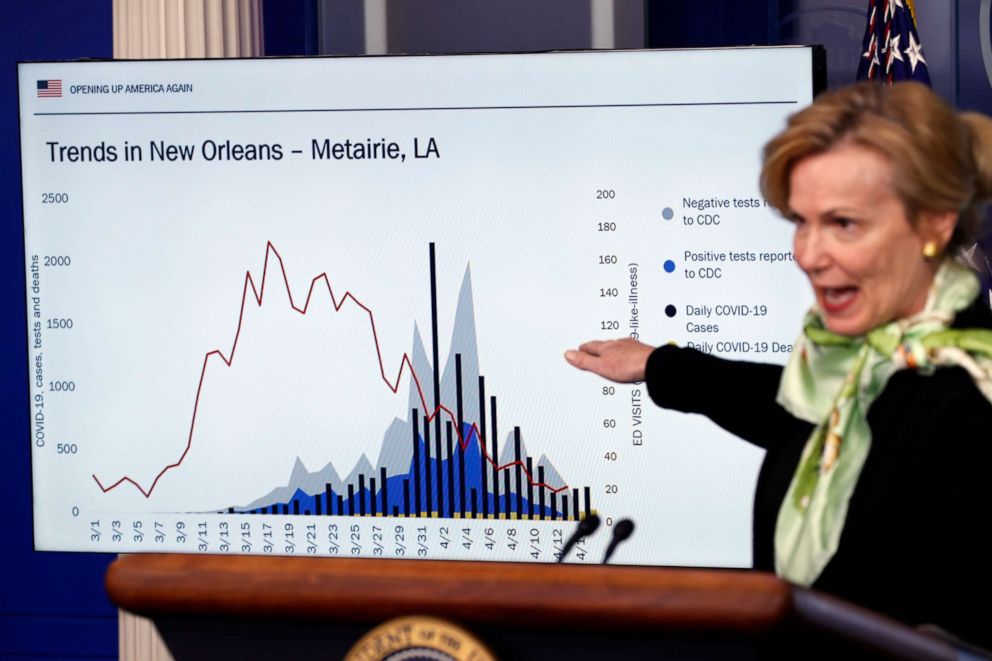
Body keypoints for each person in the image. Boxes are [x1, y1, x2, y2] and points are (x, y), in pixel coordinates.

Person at [565, 82, 992, 646]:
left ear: (935, 223)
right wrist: (658, 365)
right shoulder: (864, 369)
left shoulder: (971, 402)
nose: (809, 255)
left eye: (844, 224)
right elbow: (788, 409)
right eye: (800, 221)